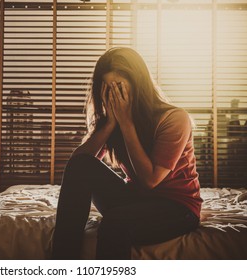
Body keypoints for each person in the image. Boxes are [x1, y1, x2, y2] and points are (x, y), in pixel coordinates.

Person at [51, 47, 203, 259]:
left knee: (115, 222)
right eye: (108, 89)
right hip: (136, 198)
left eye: (119, 86)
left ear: (138, 83)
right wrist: (110, 124)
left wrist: (126, 123)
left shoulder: (174, 118)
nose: (114, 94)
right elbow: (78, 168)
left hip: (176, 207)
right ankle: (62, 264)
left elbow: (151, 180)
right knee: (81, 166)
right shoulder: (113, 122)